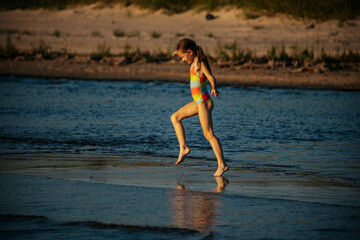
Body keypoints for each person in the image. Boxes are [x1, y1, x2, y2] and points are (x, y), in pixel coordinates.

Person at [171, 38, 229, 176]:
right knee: (175, 117)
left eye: (184, 57)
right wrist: (177, 52)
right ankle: (183, 148)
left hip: (204, 102)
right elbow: (182, 53)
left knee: (208, 134)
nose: (184, 60)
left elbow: (211, 77)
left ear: (190, 52)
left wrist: (214, 88)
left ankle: (222, 165)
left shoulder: (200, 64)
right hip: (198, 102)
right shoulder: (192, 63)